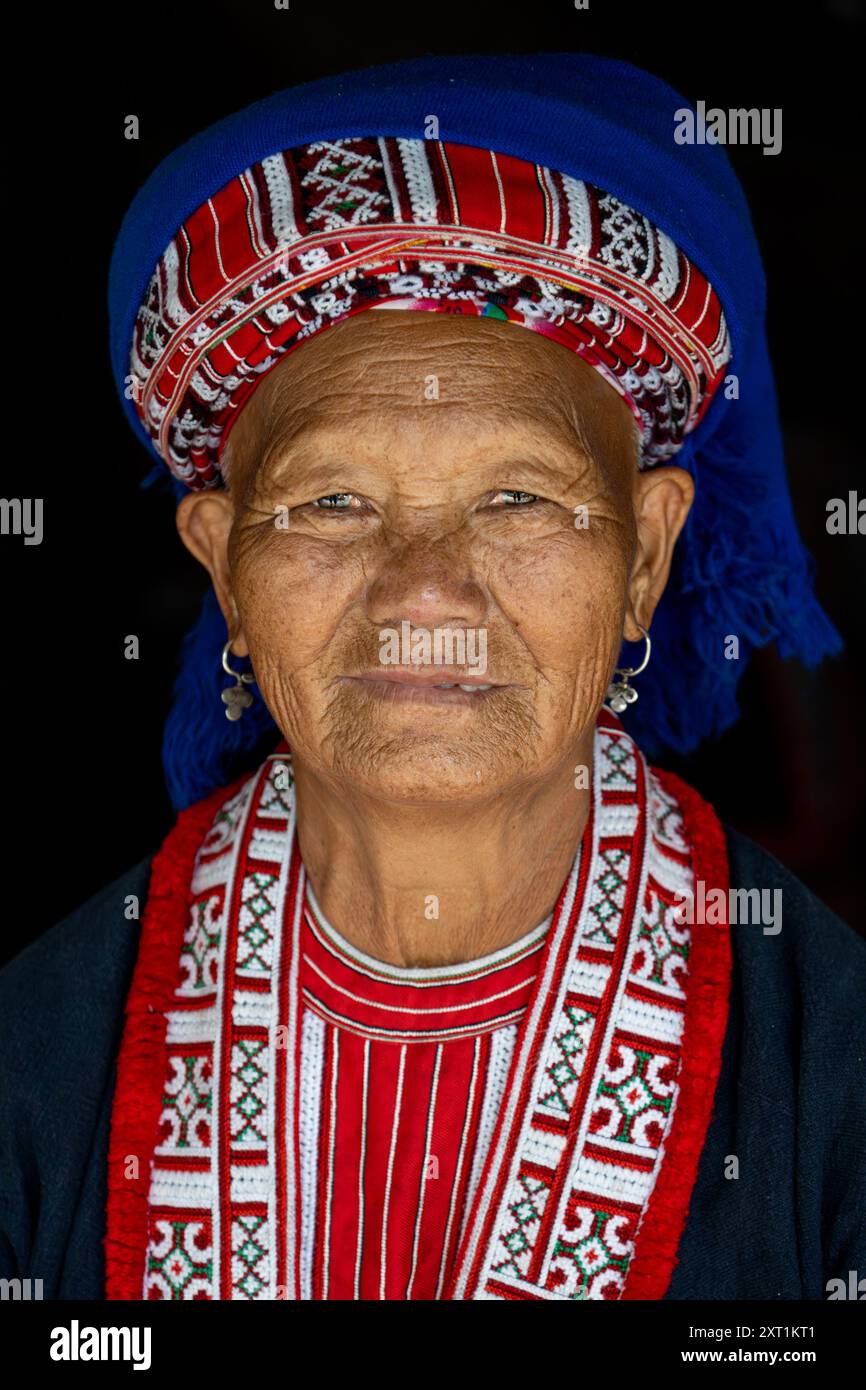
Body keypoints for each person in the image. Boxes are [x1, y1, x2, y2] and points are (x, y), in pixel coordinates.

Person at [1, 52, 863, 1303]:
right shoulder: (38, 1050)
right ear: (225, 570)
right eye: (332, 501)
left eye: (516, 497)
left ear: (643, 558)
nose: (423, 588)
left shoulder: (828, 1065)